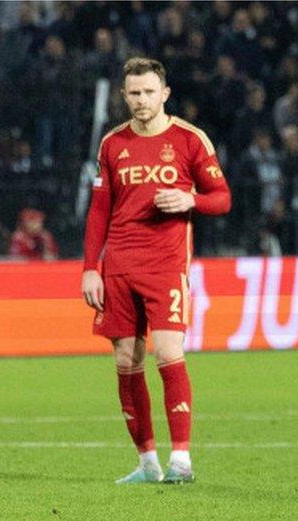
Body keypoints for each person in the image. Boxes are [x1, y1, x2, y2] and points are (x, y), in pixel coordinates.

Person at [81, 57, 231, 484]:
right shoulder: (112, 144)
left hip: (165, 266)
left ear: (164, 93)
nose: (141, 100)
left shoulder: (189, 140)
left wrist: (192, 201)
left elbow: (222, 198)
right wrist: (91, 268)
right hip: (119, 268)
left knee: (167, 351)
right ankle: (147, 462)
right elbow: (99, 211)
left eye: (149, 92)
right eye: (134, 93)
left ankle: (181, 459)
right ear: (124, 95)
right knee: (127, 361)